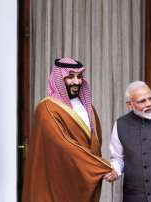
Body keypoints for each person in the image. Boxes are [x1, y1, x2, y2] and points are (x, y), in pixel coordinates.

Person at [22, 57, 112, 202]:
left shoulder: (88, 107)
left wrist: (95, 168)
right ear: (58, 78)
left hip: (83, 180)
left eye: (79, 76)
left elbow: (95, 141)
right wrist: (102, 167)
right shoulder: (47, 108)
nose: (77, 81)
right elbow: (64, 146)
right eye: (70, 77)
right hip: (57, 182)